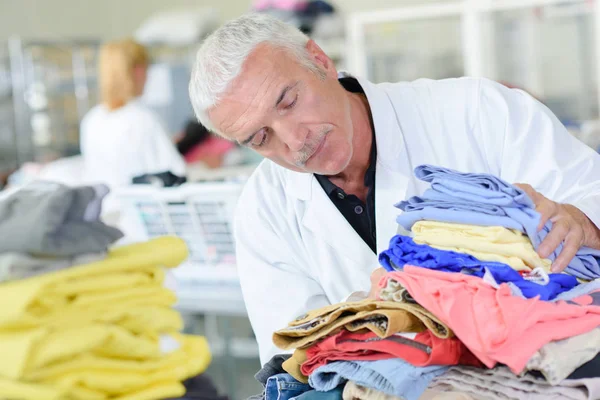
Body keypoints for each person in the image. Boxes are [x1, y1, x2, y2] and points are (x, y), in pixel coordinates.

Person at [188, 13, 600, 365]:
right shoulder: (264, 209)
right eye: (261, 138)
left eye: (289, 101)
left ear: (320, 60)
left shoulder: (478, 110)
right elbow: (293, 354)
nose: (295, 143)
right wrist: (366, 314)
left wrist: (582, 219)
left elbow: (589, 192)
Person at [80, 38, 185, 188]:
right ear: (138, 70)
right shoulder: (143, 118)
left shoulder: (91, 119)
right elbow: (177, 173)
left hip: (104, 208)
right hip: (136, 207)